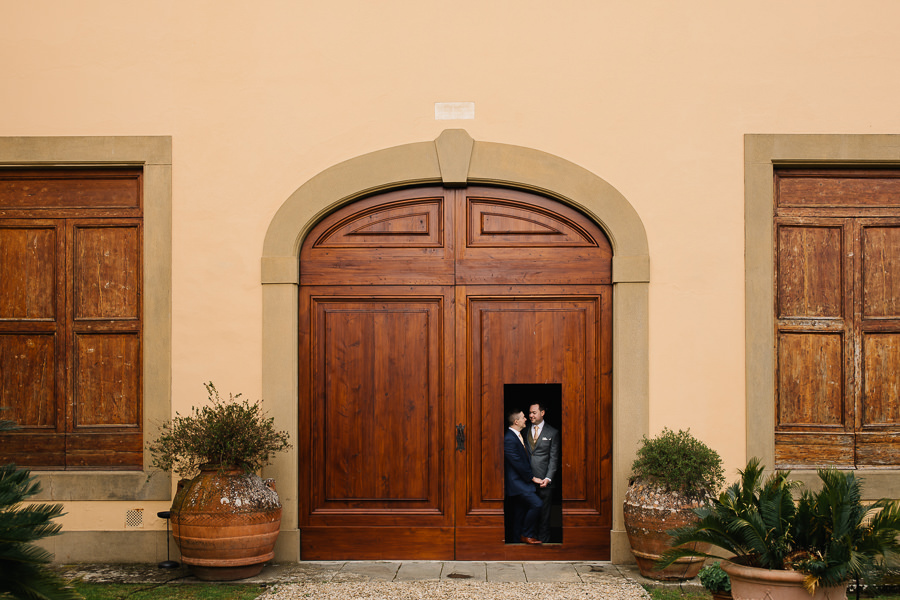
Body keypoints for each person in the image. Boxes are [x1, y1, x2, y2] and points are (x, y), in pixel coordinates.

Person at [504, 409, 544, 544]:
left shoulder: (518, 436)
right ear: (516, 421)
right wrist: (532, 478)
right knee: (537, 504)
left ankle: (516, 542)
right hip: (517, 483)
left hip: (522, 483)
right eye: (523, 417)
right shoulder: (509, 438)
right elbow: (518, 463)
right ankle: (526, 534)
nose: (526, 419)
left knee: (519, 513)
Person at [525, 402, 560, 543]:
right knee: (529, 513)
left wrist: (548, 478)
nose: (531, 415)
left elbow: (554, 458)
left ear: (542, 413)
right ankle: (529, 539)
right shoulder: (524, 430)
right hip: (528, 481)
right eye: (530, 413)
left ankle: (544, 543)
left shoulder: (553, 433)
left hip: (545, 482)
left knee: (545, 515)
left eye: (534, 412)